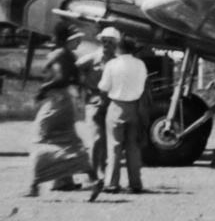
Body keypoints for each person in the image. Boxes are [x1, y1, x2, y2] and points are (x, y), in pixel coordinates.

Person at [26, 23, 98, 200]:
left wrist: (44, 88)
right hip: (67, 101)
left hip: (56, 102)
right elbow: (71, 78)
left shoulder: (58, 54)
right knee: (69, 141)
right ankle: (93, 179)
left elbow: (62, 78)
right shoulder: (69, 55)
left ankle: (35, 185)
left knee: (41, 140)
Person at [98, 33, 148, 195]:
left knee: (114, 146)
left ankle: (112, 183)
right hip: (135, 107)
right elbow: (142, 84)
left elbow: (104, 87)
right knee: (133, 147)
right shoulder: (140, 64)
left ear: (118, 47)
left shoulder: (112, 64)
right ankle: (135, 183)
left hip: (116, 106)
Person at [77, 27, 120, 182]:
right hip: (94, 102)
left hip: (112, 102)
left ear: (116, 44)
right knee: (96, 137)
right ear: (100, 41)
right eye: (104, 41)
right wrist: (80, 88)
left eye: (110, 41)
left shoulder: (117, 61)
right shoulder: (91, 59)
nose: (107, 44)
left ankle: (102, 170)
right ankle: (94, 172)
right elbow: (75, 69)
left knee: (109, 139)